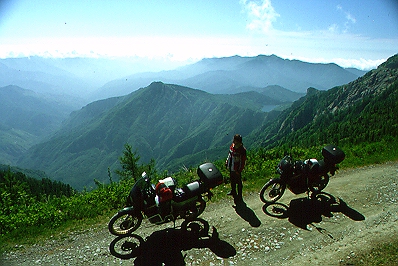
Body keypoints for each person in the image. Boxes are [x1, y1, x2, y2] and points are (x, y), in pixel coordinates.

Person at [225, 134, 247, 203]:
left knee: (239, 182)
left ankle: (239, 195)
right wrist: (227, 161)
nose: (233, 140)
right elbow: (229, 154)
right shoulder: (232, 146)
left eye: (234, 139)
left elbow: (242, 161)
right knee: (232, 180)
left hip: (236, 169)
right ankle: (233, 191)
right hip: (231, 167)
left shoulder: (242, 150)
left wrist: (239, 170)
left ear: (238, 141)